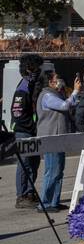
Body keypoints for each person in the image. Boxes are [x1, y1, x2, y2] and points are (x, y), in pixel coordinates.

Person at [36, 67, 78, 211]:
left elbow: (71, 104)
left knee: (59, 170)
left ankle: (54, 201)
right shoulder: (47, 96)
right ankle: (45, 203)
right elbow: (65, 106)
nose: (59, 80)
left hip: (58, 138)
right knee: (52, 170)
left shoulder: (55, 94)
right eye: (56, 78)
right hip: (51, 138)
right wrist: (75, 91)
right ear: (50, 82)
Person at [10, 53, 43, 208]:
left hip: (33, 131)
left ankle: (30, 192)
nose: (40, 70)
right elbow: (17, 114)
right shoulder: (23, 87)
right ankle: (21, 195)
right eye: (37, 67)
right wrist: (32, 126)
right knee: (25, 164)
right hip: (24, 131)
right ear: (30, 68)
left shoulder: (34, 85)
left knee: (34, 163)